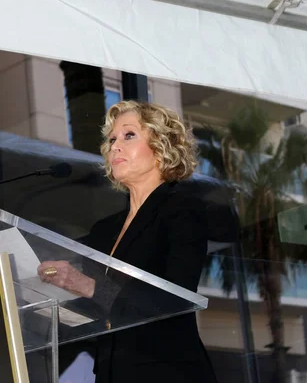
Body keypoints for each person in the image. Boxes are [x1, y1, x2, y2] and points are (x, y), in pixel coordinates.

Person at [37, 101, 218, 383]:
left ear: (161, 146)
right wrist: (43, 298)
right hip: (112, 372)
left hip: (166, 370)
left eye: (128, 135)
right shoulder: (103, 231)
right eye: (112, 140)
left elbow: (176, 297)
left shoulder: (182, 210)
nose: (115, 146)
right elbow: (99, 305)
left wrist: (84, 284)